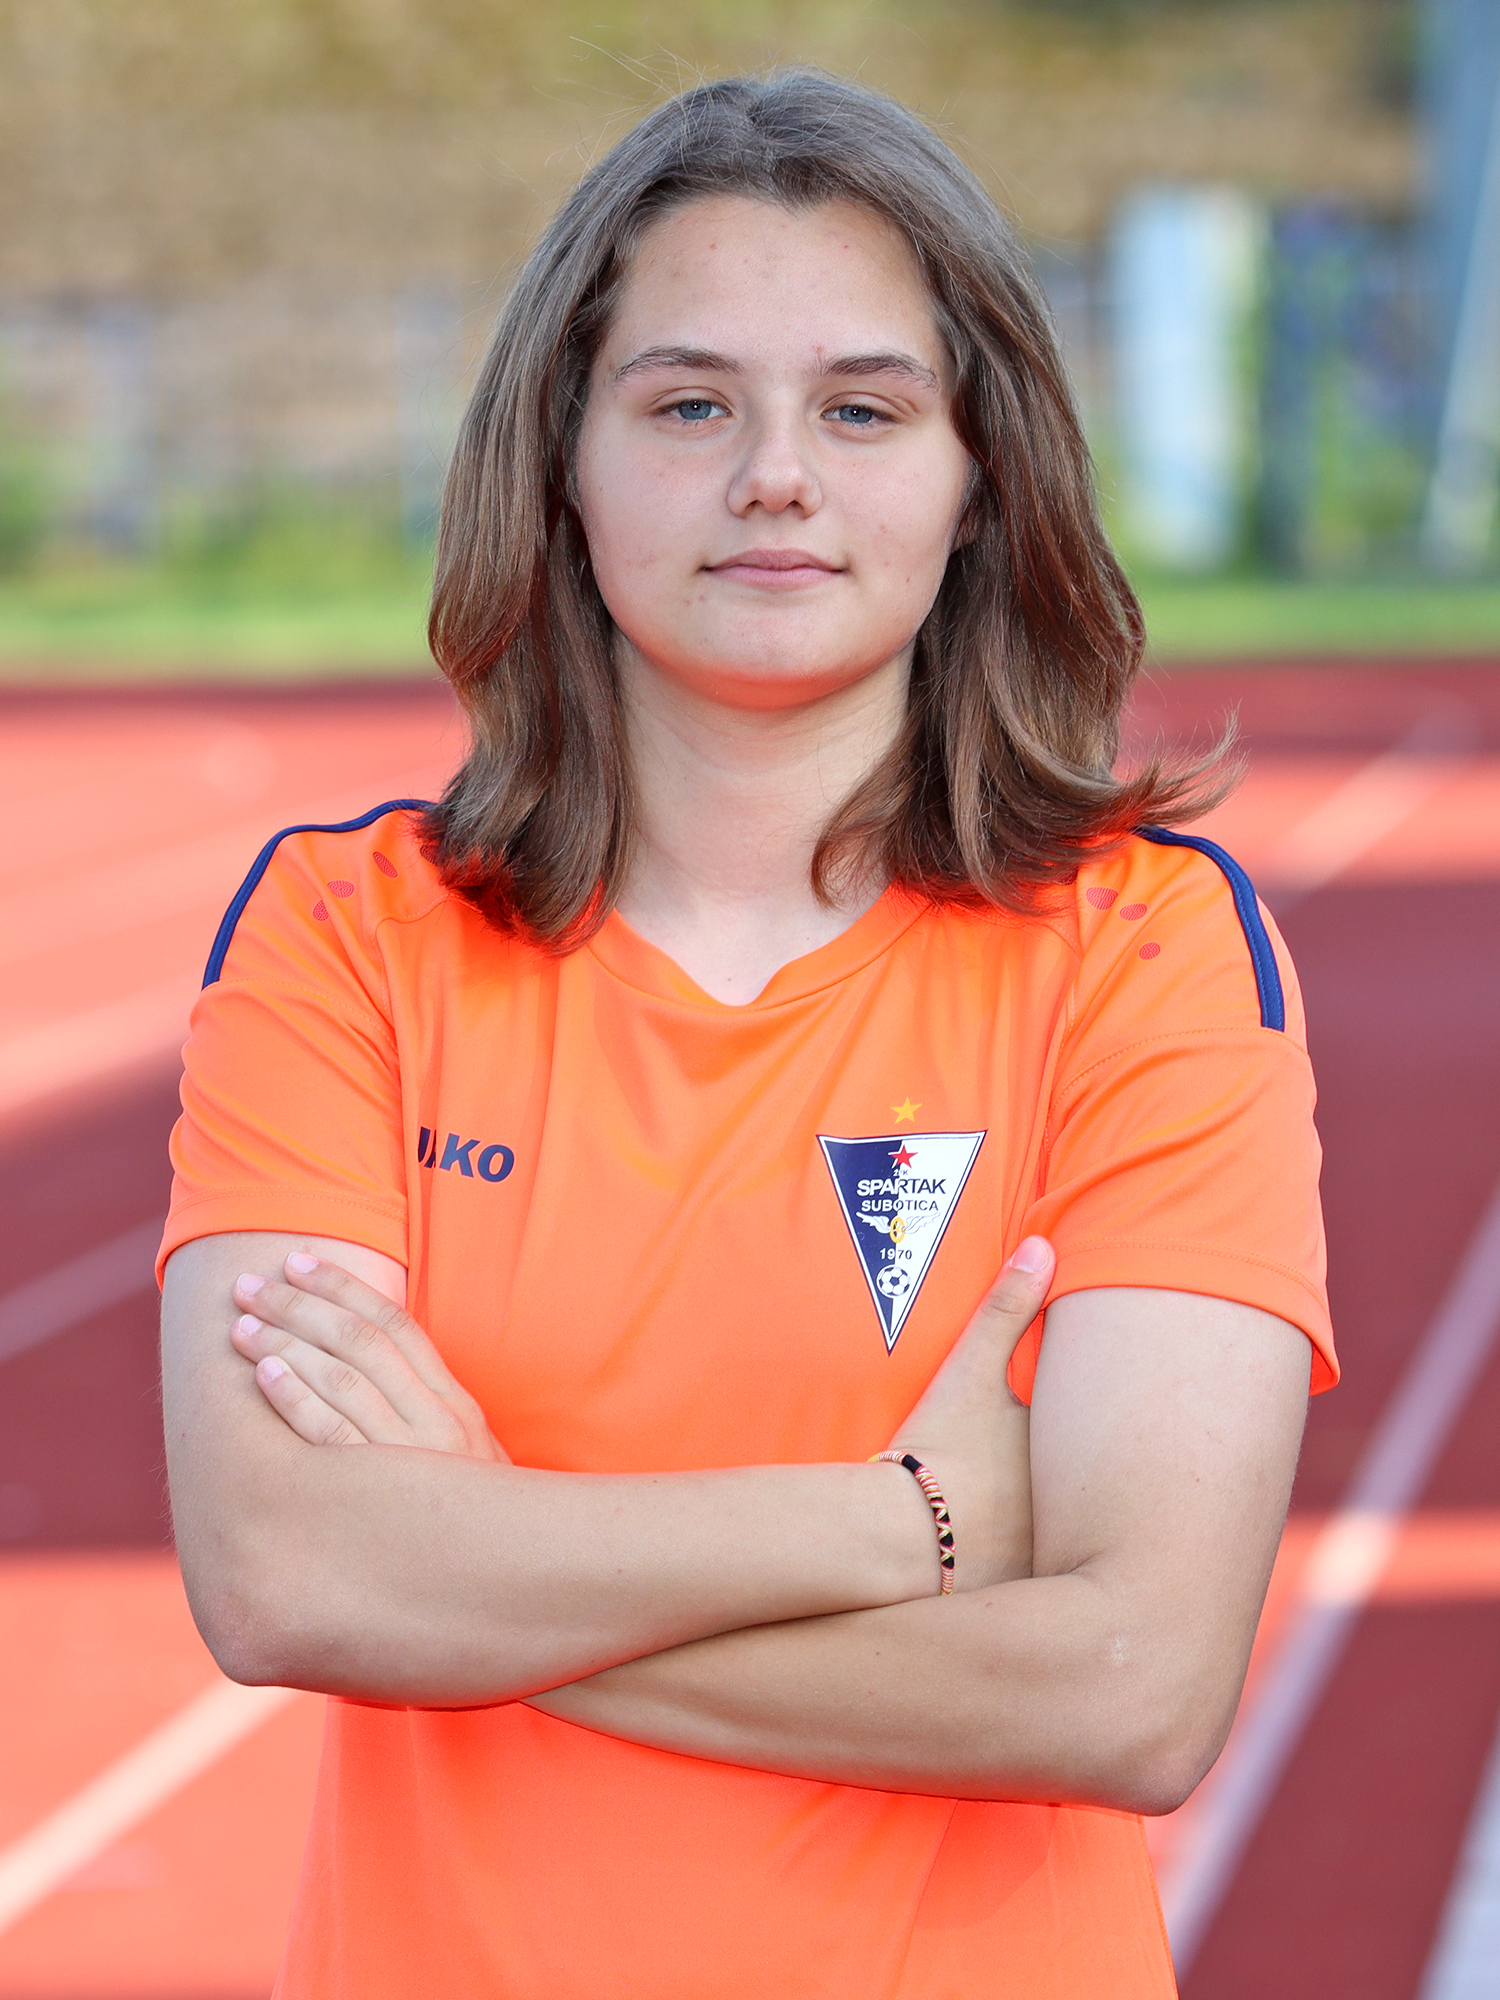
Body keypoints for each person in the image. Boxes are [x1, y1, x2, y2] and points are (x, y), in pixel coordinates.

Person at [159, 70, 1335, 2000]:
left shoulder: (1144, 949)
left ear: (978, 479)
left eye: (863, 409)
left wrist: (471, 1568)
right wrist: (906, 1528)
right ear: (562, 456)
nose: (775, 475)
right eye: (689, 403)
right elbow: (284, 1578)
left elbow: (1132, 1688)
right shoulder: (347, 937)